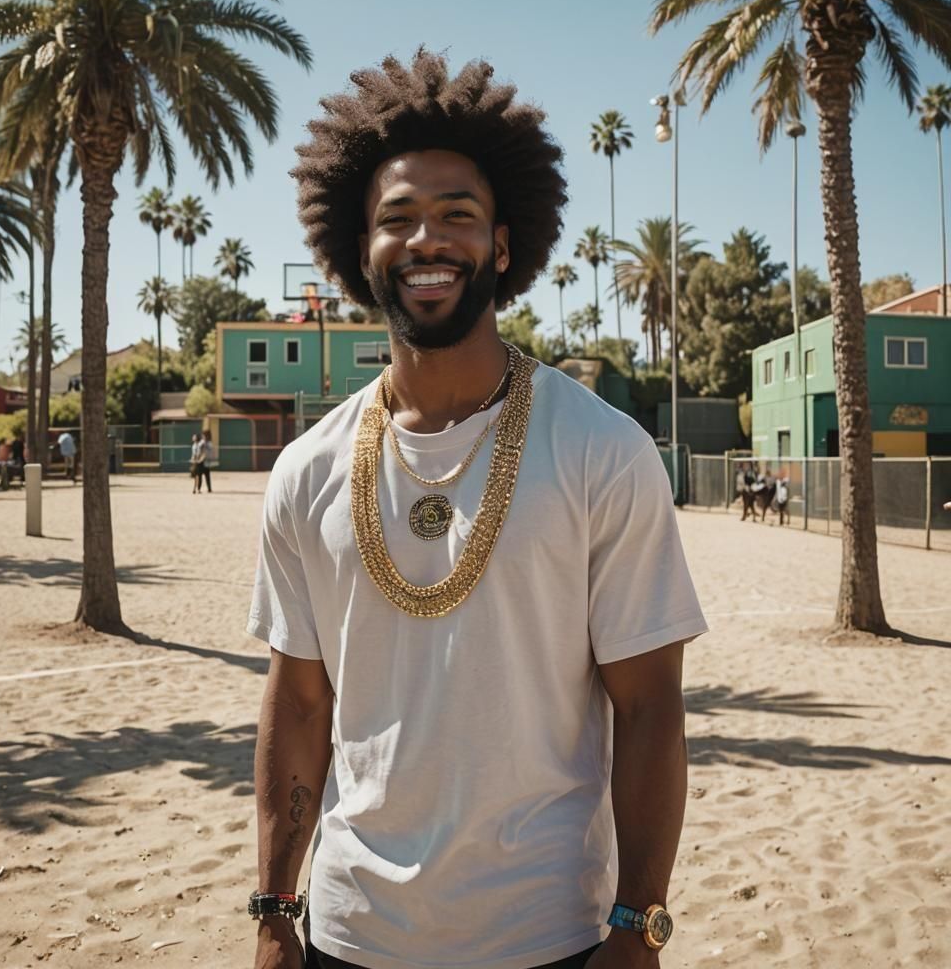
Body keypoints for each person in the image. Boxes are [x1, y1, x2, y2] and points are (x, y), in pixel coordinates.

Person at [247, 51, 708, 969]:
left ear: (501, 246)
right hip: (350, 935)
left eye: (458, 215)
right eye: (398, 219)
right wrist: (273, 912)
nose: (428, 240)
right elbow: (298, 705)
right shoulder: (306, 471)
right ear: (359, 249)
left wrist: (639, 922)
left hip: (555, 936)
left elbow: (650, 705)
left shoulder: (600, 449)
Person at [199, 429, 214, 494]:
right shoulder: (201, 442)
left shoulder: (209, 443)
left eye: (204, 435)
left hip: (206, 460)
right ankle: (198, 488)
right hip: (201, 460)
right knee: (199, 475)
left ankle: (209, 488)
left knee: (207, 475)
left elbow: (209, 451)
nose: (203, 436)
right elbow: (199, 448)